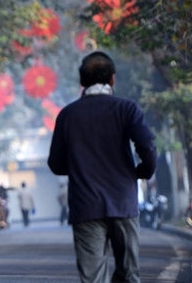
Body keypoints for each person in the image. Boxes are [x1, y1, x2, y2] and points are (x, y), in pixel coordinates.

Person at [47, 51, 157, 283]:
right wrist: (141, 172)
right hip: (123, 203)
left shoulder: (68, 115)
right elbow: (146, 146)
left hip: (86, 206)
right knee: (129, 275)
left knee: (93, 278)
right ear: (112, 79)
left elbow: (55, 164)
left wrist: (80, 167)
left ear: (81, 81)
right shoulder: (127, 109)